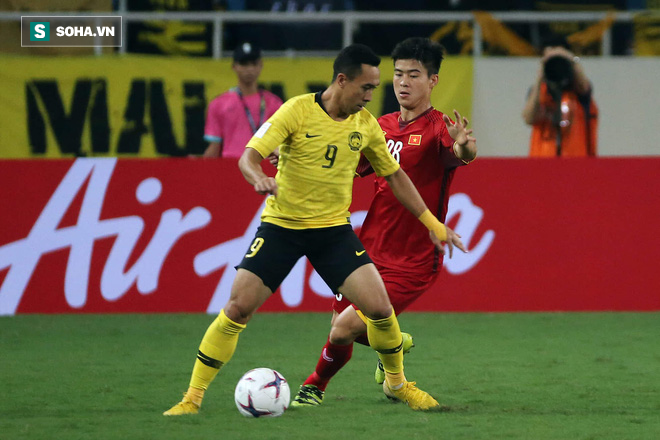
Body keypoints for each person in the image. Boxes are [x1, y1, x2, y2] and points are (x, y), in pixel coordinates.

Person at [164, 43, 466, 416]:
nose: (372, 95)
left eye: (375, 87)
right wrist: (258, 176)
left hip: (332, 233)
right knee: (237, 308)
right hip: (282, 227)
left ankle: (399, 385)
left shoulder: (365, 124)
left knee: (380, 309)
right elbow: (248, 156)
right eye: (366, 88)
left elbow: (396, 176)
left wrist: (433, 224)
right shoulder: (296, 110)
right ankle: (191, 399)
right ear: (343, 80)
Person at [290, 37, 477, 408]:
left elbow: (460, 153)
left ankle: (314, 387)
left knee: (344, 328)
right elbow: (348, 162)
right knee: (343, 330)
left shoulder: (439, 127)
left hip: (413, 258)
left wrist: (464, 146)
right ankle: (395, 345)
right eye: (399, 74)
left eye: (414, 75)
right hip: (369, 248)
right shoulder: (380, 126)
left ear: (433, 81)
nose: (404, 82)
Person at [203, 42, 282, 158]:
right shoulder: (218, 104)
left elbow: (281, 144)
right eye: (244, 64)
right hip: (229, 166)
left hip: (264, 166)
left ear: (260, 66)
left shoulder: (274, 103)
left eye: (254, 64)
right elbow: (215, 146)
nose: (249, 69)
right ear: (234, 66)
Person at [522, 37, 598, 157]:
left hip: (576, 165)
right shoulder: (538, 92)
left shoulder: (577, 90)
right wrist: (540, 77)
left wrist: (571, 60)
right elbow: (529, 118)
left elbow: (584, 87)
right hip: (542, 166)